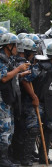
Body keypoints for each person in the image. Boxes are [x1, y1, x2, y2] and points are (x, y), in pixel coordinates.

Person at [0, 33, 30, 167]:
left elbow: (11, 76)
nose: (17, 48)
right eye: (15, 45)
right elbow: (4, 78)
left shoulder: (8, 59)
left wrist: (21, 73)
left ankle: (8, 157)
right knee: (5, 130)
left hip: (8, 99)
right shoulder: (1, 59)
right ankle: (3, 160)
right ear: (8, 46)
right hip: (2, 100)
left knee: (10, 129)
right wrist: (18, 69)